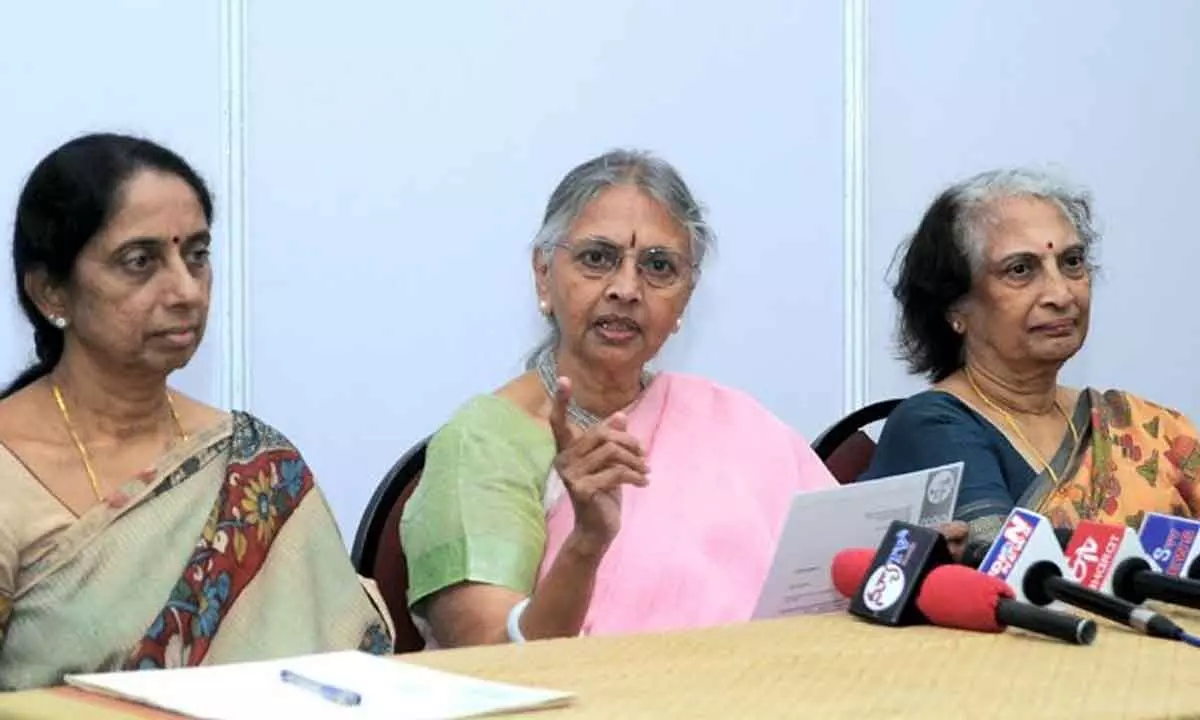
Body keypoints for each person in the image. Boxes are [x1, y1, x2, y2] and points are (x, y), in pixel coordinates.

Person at [400, 149, 839, 648]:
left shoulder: (735, 425)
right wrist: (586, 543)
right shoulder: (485, 443)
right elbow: (491, 659)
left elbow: (842, 570)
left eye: (658, 266)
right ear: (543, 274)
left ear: (685, 299)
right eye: (597, 258)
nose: (627, 288)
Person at [0, 133, 392, 690]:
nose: (186, 290)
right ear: (51, 294)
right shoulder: (10, 467)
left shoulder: (253, 462)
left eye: (198, 256)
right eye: (141, 262)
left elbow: (350, 674)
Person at [863, 168, 1200, 546]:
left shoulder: (1149, 430)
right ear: (954, 305)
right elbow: (1010, 570)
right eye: (1020, 270)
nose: (1061, 294)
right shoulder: (931, 426)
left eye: (1072, 262)